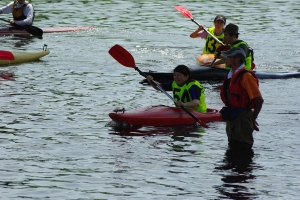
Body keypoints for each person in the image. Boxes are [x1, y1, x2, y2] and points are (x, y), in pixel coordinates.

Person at [219, 47, 264, 150]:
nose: (225, 59)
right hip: (232, 115)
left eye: (228, 57)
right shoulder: (232, 75)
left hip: (243, 117)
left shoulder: (246, 77)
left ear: (236, 60)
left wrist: (253, 118)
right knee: (232, 147)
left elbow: (259, 100)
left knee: (243, 148)